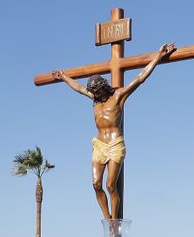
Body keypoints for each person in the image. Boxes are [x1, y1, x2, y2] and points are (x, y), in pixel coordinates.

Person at [50, 41, 178, 220]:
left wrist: (158, 57)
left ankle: (115, 220)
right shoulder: (95, 99)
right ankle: (108, 218)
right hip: (99, 145)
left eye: (97, 92)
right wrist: (64, 77)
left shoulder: (118, 96)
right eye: (93, 93)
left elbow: (140, 77)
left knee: (111, 186)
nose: (95, 95)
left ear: (103, 88)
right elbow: (78, 88)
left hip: (115, 144)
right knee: (96, 184)